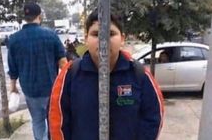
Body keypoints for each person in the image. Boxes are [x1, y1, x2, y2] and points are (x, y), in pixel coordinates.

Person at [49, 9, 164, 140]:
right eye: (96, 34)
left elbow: (153, 118)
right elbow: (57, 123)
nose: (103, 39)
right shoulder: (70, 74)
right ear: (86, 39)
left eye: (110, 33)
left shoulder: (139, 74)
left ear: (122, 39)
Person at [8, 2, 67, 140]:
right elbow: (63, 63)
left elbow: (13, 69)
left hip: (30, 91)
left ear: (25, 16)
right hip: (50, 89)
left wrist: (13, 88)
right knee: (53, 121)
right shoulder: (51, 35)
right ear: (39, 16)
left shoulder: (14, 39)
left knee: (37, 121)